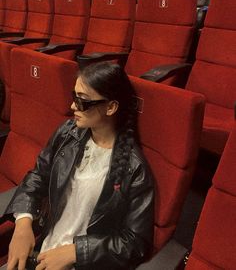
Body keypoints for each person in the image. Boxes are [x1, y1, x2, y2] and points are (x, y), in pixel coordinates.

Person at [5, 62, 154, 270]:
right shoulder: (68, 133)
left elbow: (135, 242)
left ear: (111, 107)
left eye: (82, 101)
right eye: (73, 97)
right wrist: (22, 223)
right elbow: (38, 176)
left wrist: (76, 251)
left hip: (84, 263)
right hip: (44, 251)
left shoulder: (134, 168)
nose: (73, 106)